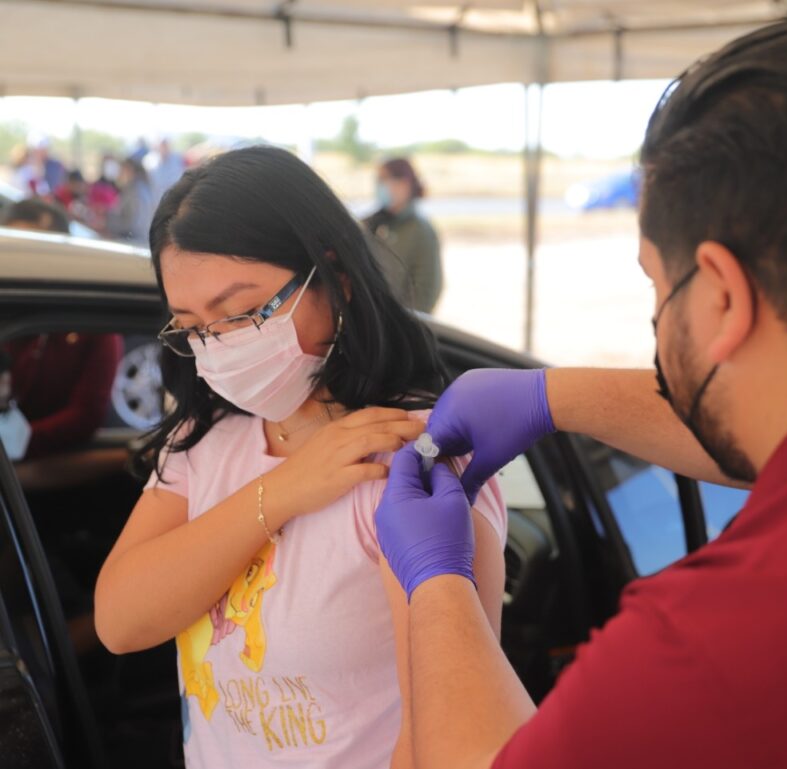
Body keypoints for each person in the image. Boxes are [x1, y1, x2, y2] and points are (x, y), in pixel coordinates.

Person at [373, 17, 787, 769]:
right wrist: (552, 397)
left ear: (720, 293)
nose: (655, 308)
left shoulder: (714, 647)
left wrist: (439, 584)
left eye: (656, 278)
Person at [93, 146, 507, 769]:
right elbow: (121, 621)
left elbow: (447, 729)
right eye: (194, 327)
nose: (221, 345)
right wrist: (287, 489)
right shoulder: (205, 441)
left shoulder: (410, 453)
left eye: (240, 312)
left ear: (332, 278)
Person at [2, 198, 124, 460]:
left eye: (34, 250)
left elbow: (85, 414)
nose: (23, 263)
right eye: (17, 248)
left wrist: (16, 441)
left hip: (55, 465)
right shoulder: (8, 307)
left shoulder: (90, 323)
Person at [364, 158, 443, 313]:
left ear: (405, 184)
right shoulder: (370, 224)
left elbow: (426, 291)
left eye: (385, 179)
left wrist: (401, 325)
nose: (380, 186)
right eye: (378, 180)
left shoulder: (421, 231)